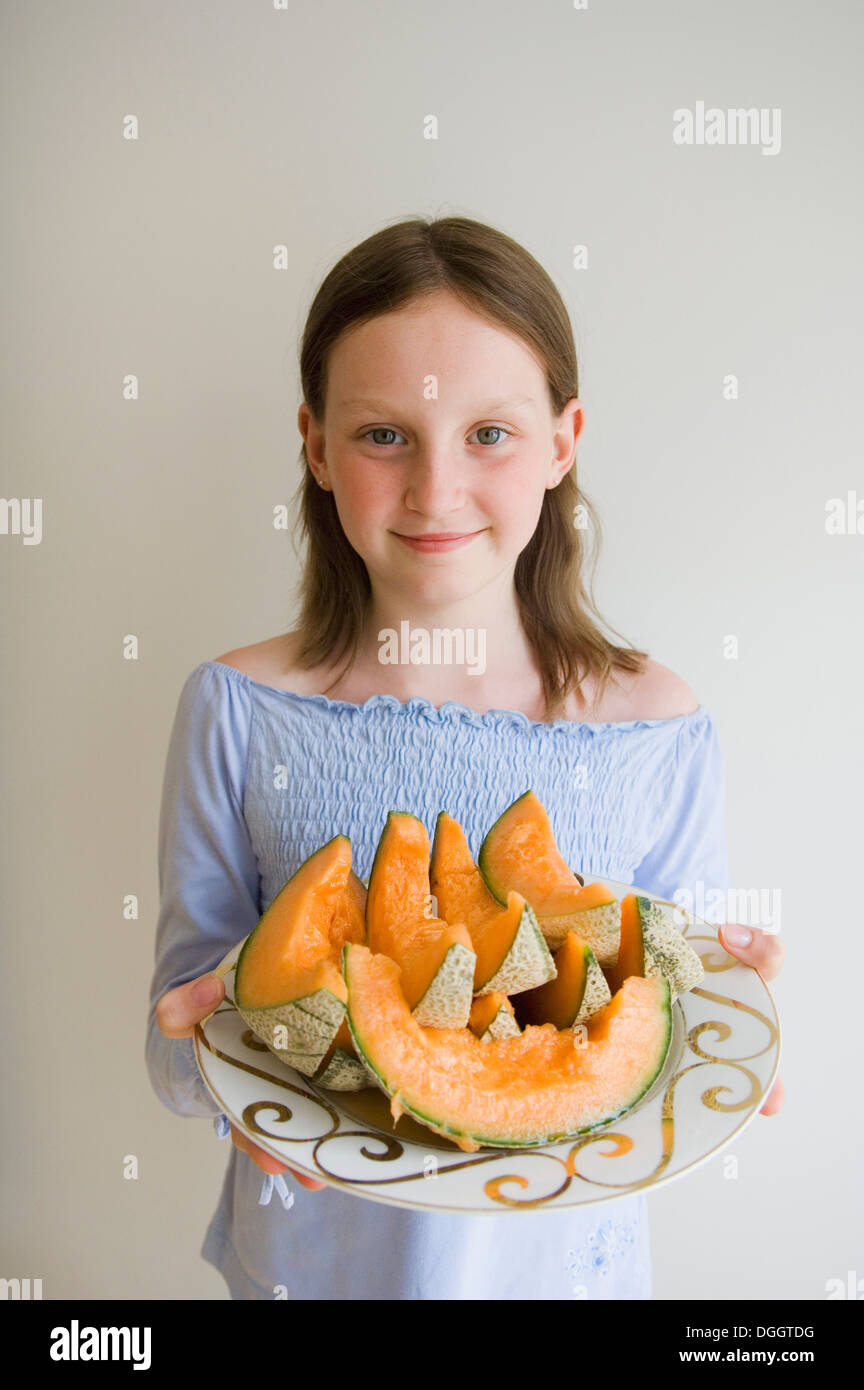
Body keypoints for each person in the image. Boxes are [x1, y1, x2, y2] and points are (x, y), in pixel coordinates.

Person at [147, 215, 785, 1300]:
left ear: (562, 439)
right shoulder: (238, 708)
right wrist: (209, 1034)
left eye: (488, 432)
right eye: (383, 434)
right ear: (314, 445)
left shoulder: (656, 724)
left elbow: (670, 1030)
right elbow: (173, 1052)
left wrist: (731, 1015)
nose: (435, 489)